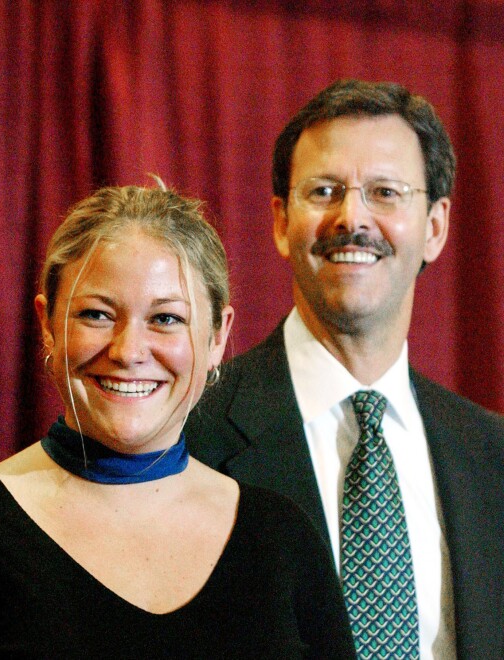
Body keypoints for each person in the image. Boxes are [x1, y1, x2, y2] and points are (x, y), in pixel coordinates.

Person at [0, 183, 356, 658]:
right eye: (96, 314)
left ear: (218, 335)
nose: (128, 352)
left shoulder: (281, 538)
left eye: (166, 319)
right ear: (47, 323)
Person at [186, 79, 504, 659]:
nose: (351, 217)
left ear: (435, 227)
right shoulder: (190, 437)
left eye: (385, 192)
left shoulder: (494, 456)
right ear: (282, 222)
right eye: (325, 191)